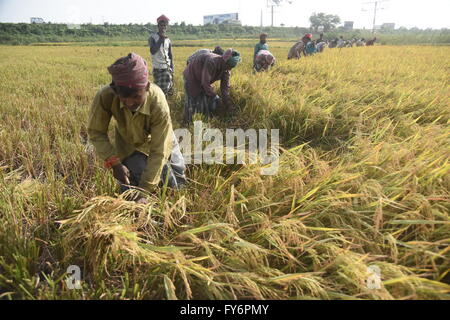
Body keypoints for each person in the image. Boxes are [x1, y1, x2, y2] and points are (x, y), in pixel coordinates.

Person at [87, 53, 187, 203]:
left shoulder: (158, 102)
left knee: (175, 182)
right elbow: (96, 132)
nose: (129, 103)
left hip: (161, 138)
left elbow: (160, 151)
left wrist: (145, 190)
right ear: (115, 91)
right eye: (123, 97)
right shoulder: (106, 96)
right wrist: (114, 162)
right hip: (130, 141)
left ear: (146, 87)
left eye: (136, 96)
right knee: (132, 186)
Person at [183, 48, 241, 123]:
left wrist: (228, 103)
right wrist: (215, 96)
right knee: (192, 100)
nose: (229, 68)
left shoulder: (226, 70)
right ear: (225, 61)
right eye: (228, 65)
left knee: (205, 101)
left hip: (202, 79)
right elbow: (205, 83)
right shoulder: (212, 61)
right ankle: (187, 123)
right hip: (191, 77)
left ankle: (203, 121)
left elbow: (225, 88)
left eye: (231, 67)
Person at [149, 15, 174, 96]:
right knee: (158, 92)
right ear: (158, 26)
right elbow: (153, 51)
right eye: (161, 25)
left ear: (166, 27)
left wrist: (172, 68)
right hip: (158, 69)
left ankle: (164, 106)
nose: (163, 27)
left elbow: (170, 55)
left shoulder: (168, 40)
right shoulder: (152, 38)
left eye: (165, 25)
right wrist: (160, 39)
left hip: (167, 69)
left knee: (165, 91)